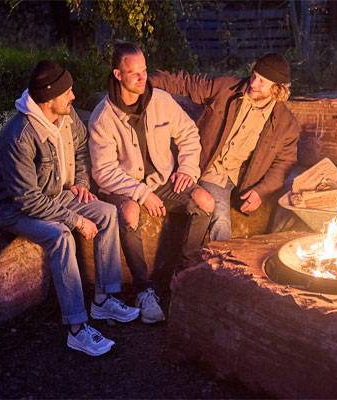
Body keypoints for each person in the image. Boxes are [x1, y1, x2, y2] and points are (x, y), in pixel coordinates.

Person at [0, 60, 139, 357]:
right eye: (67, 92)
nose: (73, 96)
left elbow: (82, 149)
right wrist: (76, 220)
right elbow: (27, 200)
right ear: (48, 98)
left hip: (56, 195)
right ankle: (77, 328)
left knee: (106, 213)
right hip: (15, 209)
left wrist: (81, 181)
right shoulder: (19, 136)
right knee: (61, 235)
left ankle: (104, 298)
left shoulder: (66, 118)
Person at [88, 43, 214, 324]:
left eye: (144, 71)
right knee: (130, 213)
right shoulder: (103, 117)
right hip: (124, 187)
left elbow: (189, 134)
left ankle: (183, 274)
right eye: (134, 73)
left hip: (162, 181)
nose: (142, 78)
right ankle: (144, 290)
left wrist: (188, 168)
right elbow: (103, 171)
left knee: (205, 201)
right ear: (118, 75)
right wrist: (141, 194)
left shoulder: (161, 101)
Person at [149, 53, 300, 242]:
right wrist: (147, 82)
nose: (253, 83)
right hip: (210, 168)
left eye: (262, 82)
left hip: (239, 179)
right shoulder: (227, 88)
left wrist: (261, 191)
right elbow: (187, 84)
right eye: (254, 75)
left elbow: (284, 164)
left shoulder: (286, 124)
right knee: (220, 218)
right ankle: (223, 267)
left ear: (276, 89)